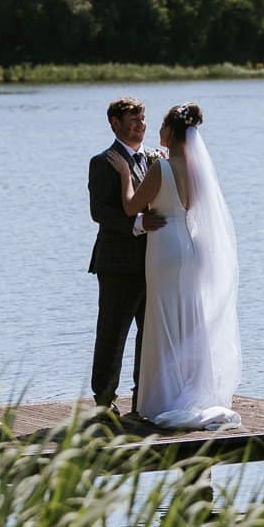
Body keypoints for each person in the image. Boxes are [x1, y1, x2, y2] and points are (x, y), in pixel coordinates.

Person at [104, 103, 242, 430]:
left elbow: (131, 206)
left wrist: (124, 174)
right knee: (188, 317)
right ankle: (191, 387)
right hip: (189, 246)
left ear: (171, 131)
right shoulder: (198, 170)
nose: (157, 130)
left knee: (164, 319)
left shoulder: (161, 168)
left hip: (164, 245)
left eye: (162, 126)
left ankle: (164, 398)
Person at [87, 97, 167, 418]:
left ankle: (142, 397)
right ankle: (104, 402)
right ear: (114, 123)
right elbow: (99, 212)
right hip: (118, 264)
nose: (140, 125)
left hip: (153, 263)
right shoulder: (103, 162)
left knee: (150, 335)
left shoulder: (155, 159)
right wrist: (138, 224)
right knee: (112, 334)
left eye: (142, 119)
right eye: (133, 120)